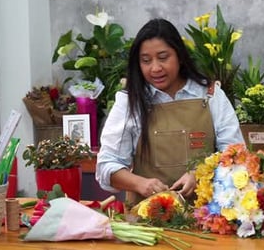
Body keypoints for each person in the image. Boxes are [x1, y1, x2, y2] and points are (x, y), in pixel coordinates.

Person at [95, 18, 244, 205]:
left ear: (180, 56)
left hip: (209, 218)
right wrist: (141, 184)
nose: (155, 68)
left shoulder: (210, 95)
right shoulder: (129, 102)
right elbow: (106, 167)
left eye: (163, 57)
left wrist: (201, 175)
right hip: (148, 220)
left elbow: (236, 154)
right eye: (146, 61)